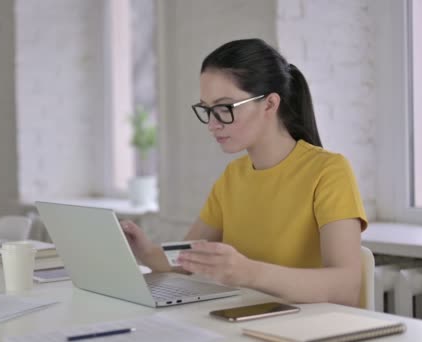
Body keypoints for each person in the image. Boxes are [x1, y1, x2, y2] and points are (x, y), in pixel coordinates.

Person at [121, 38, 367, 307]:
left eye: (224, 108)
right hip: (245, 322)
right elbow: (188, 261)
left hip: (307, 327)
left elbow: (346, 287)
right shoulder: (233, 176)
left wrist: (249, 272)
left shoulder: (328, 171)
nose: (212, 125)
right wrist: (144, 251)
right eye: (207, 110)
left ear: (270, 104)